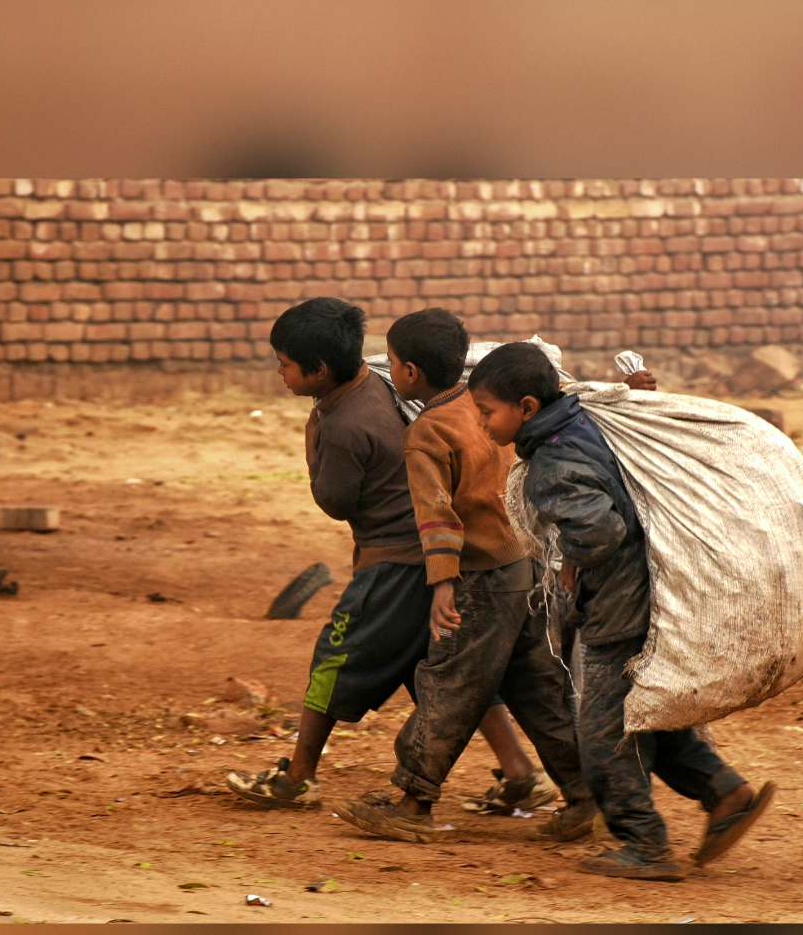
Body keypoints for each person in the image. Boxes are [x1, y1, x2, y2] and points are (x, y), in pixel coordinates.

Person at [226, 297, 556, 812]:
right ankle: (520, 773)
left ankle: (297, 777)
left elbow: (335, 502)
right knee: (435, 663)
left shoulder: (340, 425)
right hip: (433, 558)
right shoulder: (380, 381)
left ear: (318, 370)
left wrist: (312, 436)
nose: (279, 372)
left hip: (396, 564)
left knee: (333, 658)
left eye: (285, 364)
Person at [466, 341, 776, 881]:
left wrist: (570, 561)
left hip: (620, 607)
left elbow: (599, 530)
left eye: (488, 412)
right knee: (642, 715)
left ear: (527, 408)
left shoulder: (553, 460)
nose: (482, 424)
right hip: (653, 595)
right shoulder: (583, 419)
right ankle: (726, 793)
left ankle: (643, 843)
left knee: (604, 732)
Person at [333, 309, 598, 843]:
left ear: (406, 373)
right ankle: (585, 795)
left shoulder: (429, 431)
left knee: (449, 683)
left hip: (482, 579)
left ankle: (412, 802)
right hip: (525, 568)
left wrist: (442, 585)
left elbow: (438, 517)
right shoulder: (487, 410)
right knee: (538, 689)